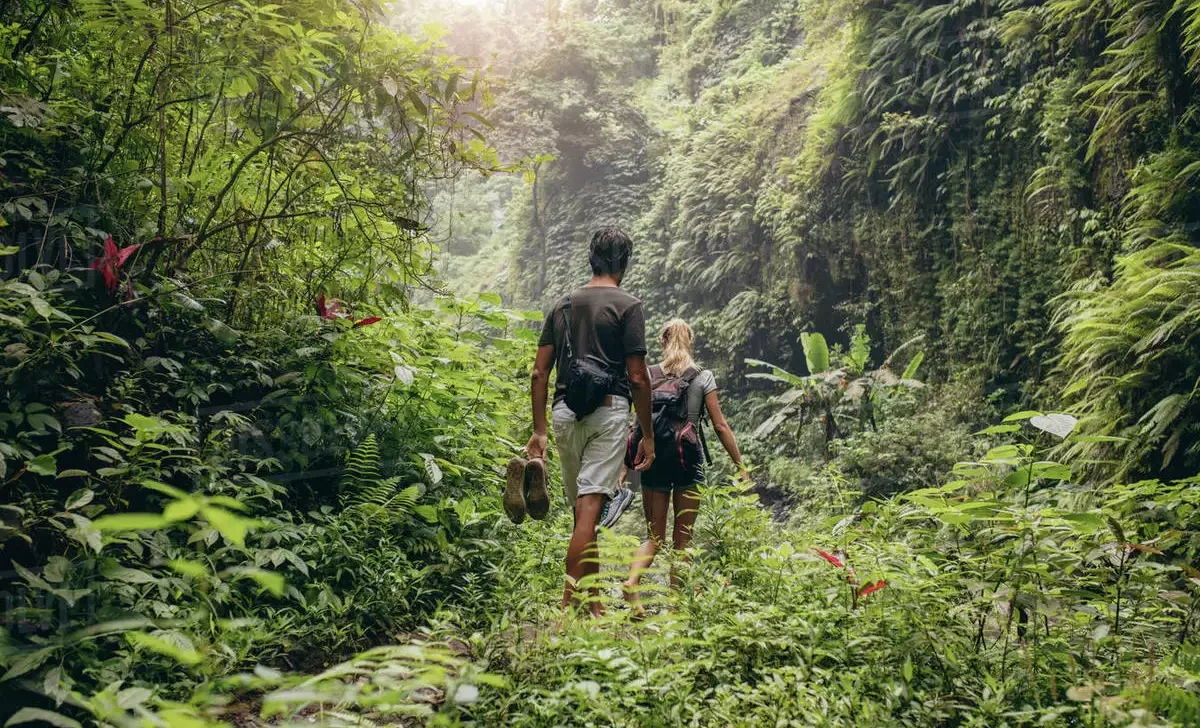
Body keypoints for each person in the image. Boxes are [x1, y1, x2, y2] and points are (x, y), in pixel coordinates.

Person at [512, 227, 656, 618]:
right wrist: (647, 435)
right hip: (608, 413)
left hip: (564, 413)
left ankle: (593, 604)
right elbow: (638, 377)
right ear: (624, 263)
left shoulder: (561, 306)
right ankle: (567, 604)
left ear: (591, 259)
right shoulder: (628, 305)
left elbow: (539, 373)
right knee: (590, 511)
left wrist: (539, 431)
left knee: (583, 513)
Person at [622, 318, 749, 617]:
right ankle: (676, 608)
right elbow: (720, 425)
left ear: (662, 341)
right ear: (690, 341)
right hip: (687, 460)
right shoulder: (703, 377)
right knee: (683, 539)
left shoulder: (648, 374)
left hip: (653, 458)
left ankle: (632, 582)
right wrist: (740, 465)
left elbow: (637, 424)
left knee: (654, 537)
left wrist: (624, 466)